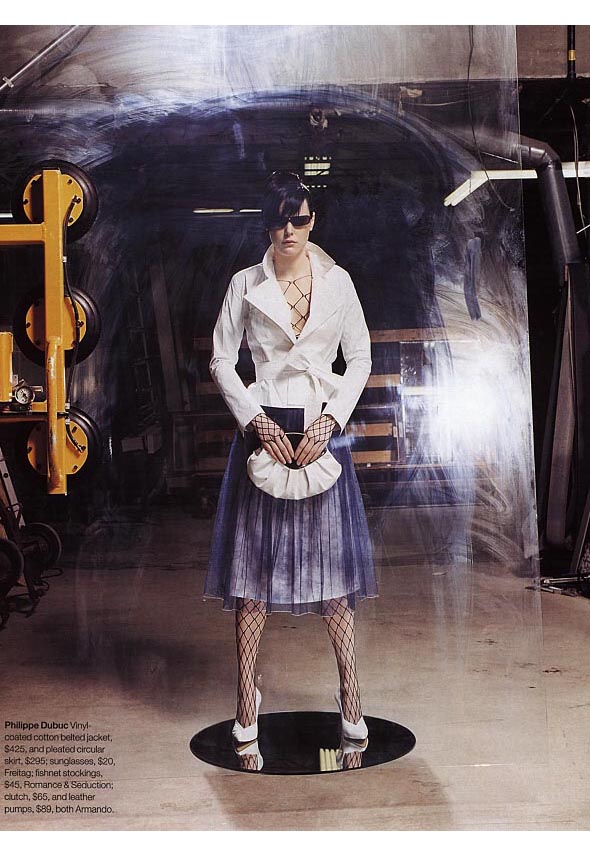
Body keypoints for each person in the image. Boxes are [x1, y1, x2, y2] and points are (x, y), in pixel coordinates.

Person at [204, 171, 378, 769]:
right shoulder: (243, 285)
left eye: (299, 220)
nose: (289, 231)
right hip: (265, 430)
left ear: (312, 221)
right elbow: (221, 360)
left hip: (323, 429)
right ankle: (246, 701)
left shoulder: (339, 282)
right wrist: (257, 422)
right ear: (267, 225)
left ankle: (351, 694)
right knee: (252, 577)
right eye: (279, 221)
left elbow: (360, 357)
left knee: (335, 576)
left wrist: (331, 422)